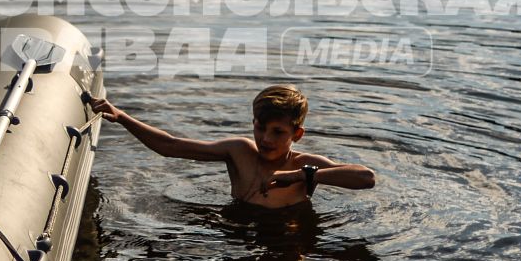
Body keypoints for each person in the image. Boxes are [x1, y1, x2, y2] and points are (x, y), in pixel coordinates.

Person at [93, 84, 376, 209]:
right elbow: (171, 146)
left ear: (297, 134)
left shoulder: (302, 163)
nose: (265, 139)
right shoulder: (239, 151)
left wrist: (304, 175)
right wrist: (122, 117)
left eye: (277, 132)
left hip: (287, 231)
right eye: (259, 127)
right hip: (238, 226)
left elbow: (366, 177)